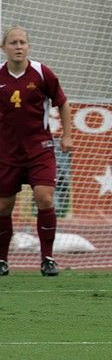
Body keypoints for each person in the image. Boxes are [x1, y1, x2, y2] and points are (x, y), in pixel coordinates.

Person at [0, 26, 74, 277]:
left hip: (39, 150)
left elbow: (62, 103)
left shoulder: (42, 73)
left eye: (22, 42)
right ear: (4, 48)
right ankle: (1, 260)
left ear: (28, 46)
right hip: (6, 153)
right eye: (13, 43)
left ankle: (48, 259)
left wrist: (67, 135)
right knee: (3, 207)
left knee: (44, 198)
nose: (18, 46)